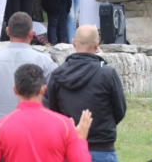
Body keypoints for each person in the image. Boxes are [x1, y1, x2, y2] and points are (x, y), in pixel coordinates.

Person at [0, 63, 92, 162]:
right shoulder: (64, 124)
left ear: (15, 90)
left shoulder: (0, 127)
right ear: (43, 90)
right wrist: (80, 139)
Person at [47, 25, 126, 162]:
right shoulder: (107, 74)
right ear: (97, 45)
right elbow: (119, 109)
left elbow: (53, 112)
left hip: (70, 148)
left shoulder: (57, 75)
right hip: (102, 147)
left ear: (73, 43)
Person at [0, 12, 57, 121]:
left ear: (7, 31)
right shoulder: (46, 62)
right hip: (36, 130)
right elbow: (56, 100)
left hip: (2, 131)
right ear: (31, 34)